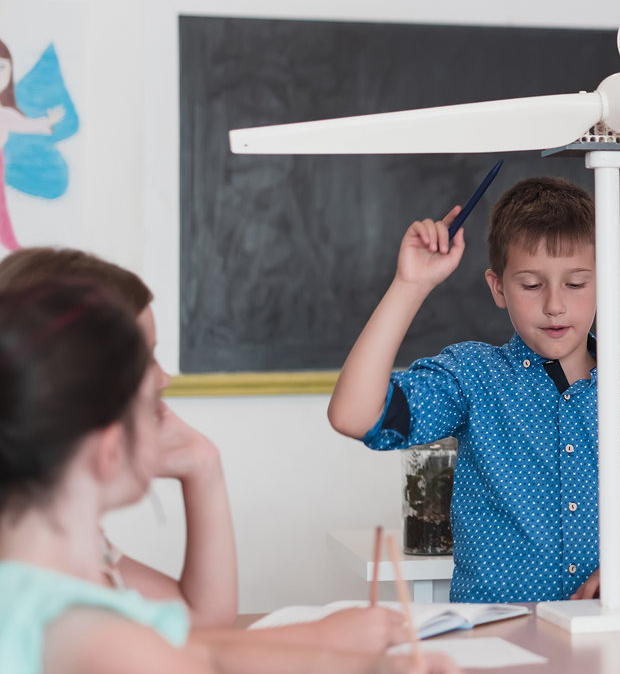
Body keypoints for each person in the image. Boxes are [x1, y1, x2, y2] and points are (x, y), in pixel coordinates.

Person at [0, 282, 521, 674]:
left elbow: (202, 655)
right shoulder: (81, 630)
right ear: (109, 452)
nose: (165, 404)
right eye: (151, 406)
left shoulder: (32, 598)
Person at [0, 246, 405, 651]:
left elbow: (200, 623)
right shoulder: (38, 568)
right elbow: (163, 662)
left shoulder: (72, 538)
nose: (163, 380)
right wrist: (316, 640)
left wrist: (204, 469)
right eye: (147, 359)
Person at [328, 176, 620, 602]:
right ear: (498, 287)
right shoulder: (471, 376)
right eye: (531, 285)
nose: (555, 305)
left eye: (576, 284)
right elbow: (354, 416)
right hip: (490, 641)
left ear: (605, 282)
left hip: (600, 636)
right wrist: (410, 285)